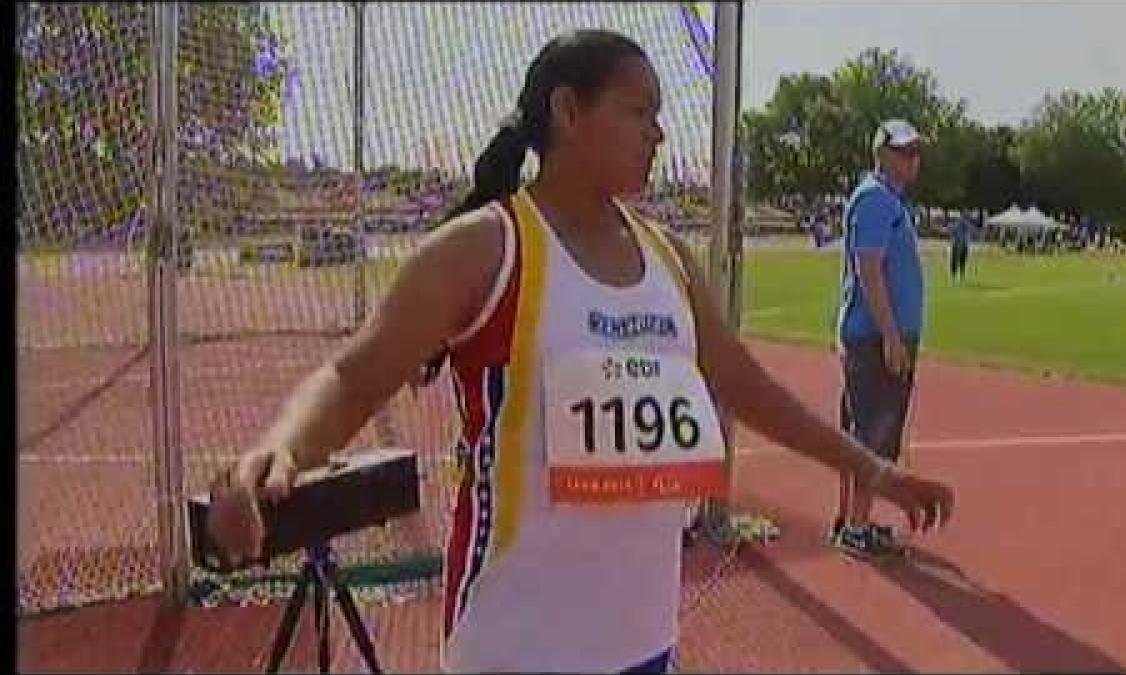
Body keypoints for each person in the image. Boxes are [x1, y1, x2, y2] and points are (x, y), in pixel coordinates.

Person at [206, 31, 953, 673]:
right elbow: (353, 375)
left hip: (643, 642)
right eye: (639, 113)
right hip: (514, 646)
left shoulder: (669, 259)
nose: (658, 134)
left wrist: (872, 469)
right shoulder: (486, 250)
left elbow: (748, 386)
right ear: (568, 111)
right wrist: (278, 450)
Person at [830, 118, 928, 559]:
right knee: (874, 434)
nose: (914, 160)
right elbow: (870, 269)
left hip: (873, 335)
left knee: (861, 432)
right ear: (884, 154)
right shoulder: (875, 200)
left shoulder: (886, 200)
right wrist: (891, 334)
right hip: (874, 337)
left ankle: (853, 519)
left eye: (915, 152)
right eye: (905, 152)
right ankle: (855, 527)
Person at [948, 213, 971, 282]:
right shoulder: (956, 225)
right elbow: (953, 234)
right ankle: (954, 277)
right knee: (955, 261)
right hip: (957, 245)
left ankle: (961, 277)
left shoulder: (967, 225)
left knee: (962, 261)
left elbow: (968, 234)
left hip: (964, 245)